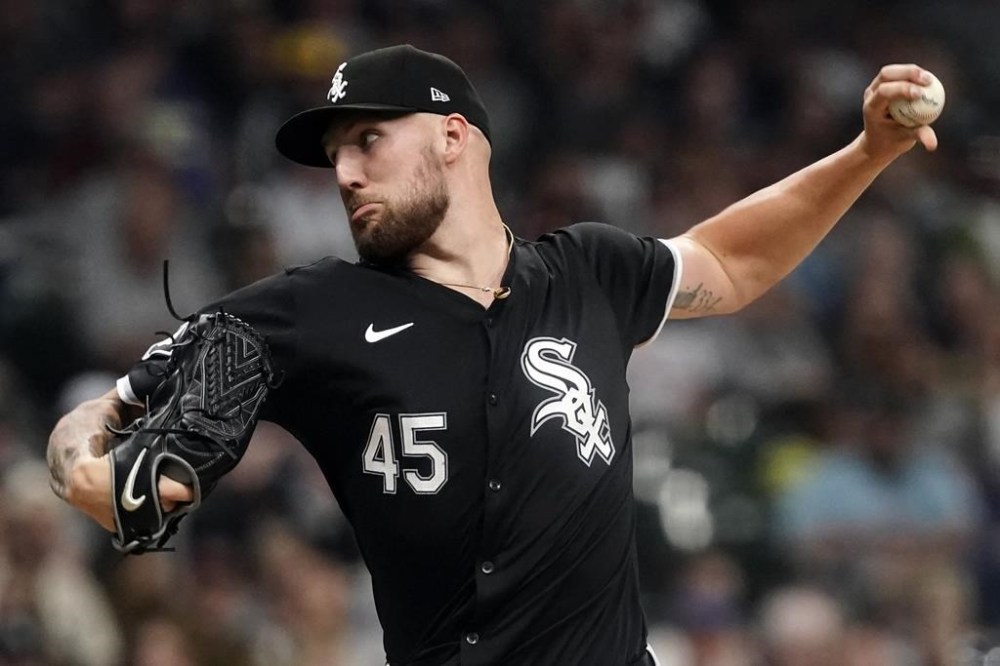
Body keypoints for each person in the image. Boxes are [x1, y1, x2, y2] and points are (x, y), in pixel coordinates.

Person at [46, 44, 940, 665]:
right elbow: (98, 413)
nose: (346, 173)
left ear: (453, 135)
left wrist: (866, 152)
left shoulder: (588, 273)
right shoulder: (307, 310)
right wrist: (80, 464)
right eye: (335, 156)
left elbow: (734, 261)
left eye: (367, 139)